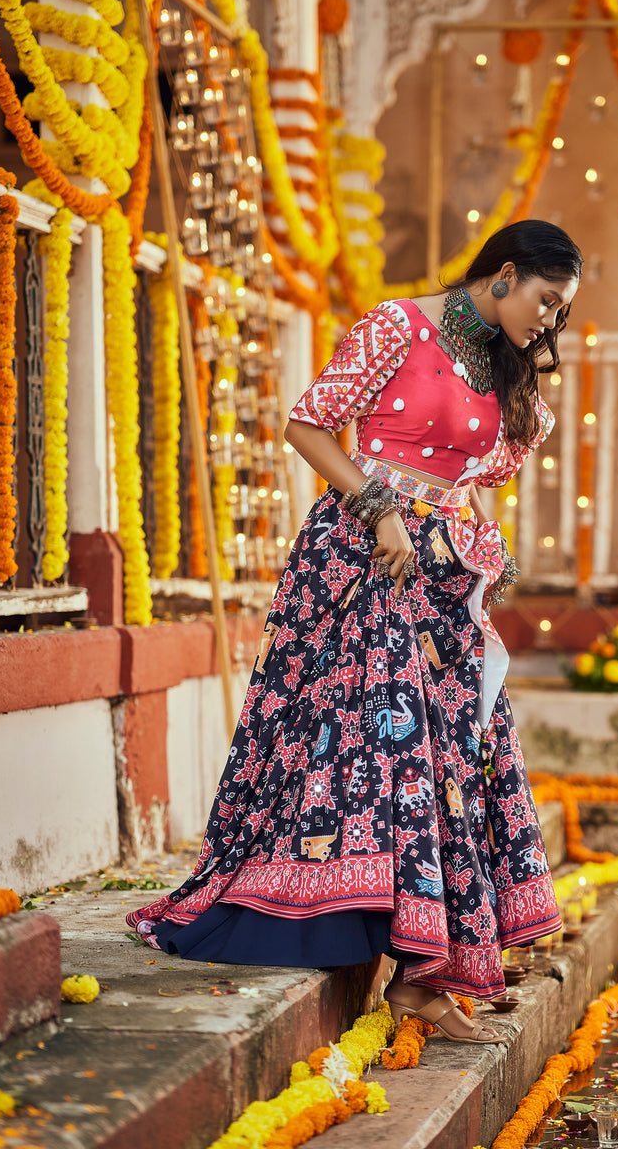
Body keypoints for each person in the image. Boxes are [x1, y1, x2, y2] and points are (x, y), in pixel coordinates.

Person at [128, 219, 583, 1045]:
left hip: (444, 577)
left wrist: (483, 543)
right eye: (546, 300)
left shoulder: (503, 365)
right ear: (506, 273)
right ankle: (364, 940)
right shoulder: (397, 327)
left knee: (450, 761)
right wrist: (380, 511)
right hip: (367, 557)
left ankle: (423, 975)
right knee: (384, 753)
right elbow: (308, 425)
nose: (549, 320)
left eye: (560, 310)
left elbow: (469, 476)